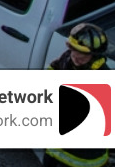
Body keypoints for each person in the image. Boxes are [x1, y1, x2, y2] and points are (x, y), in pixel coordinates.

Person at [43, 23, 111, 167]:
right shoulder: (69, 58)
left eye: (81, 58)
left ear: (94, 56)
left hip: (83, 157)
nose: (75, 58)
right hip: (57, 148)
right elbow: (54, 69)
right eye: (74, 52)